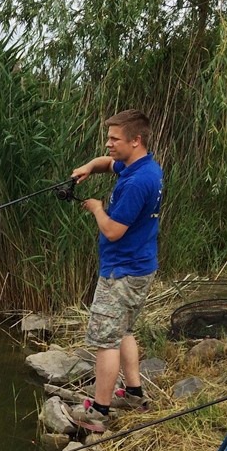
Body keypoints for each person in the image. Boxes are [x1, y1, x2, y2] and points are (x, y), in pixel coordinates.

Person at [67, 109, 163, 432]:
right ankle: (135, 394)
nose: (108, 144)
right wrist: (89, 168)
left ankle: (99, 412)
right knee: (124, 330)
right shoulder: (144, 167)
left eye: (114, 139)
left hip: (121, 273)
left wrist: (95, 207)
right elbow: (109, 164)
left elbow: (112, 231)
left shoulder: (137, 182)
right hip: (140, 267)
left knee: (106, 340)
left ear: (135, 140)